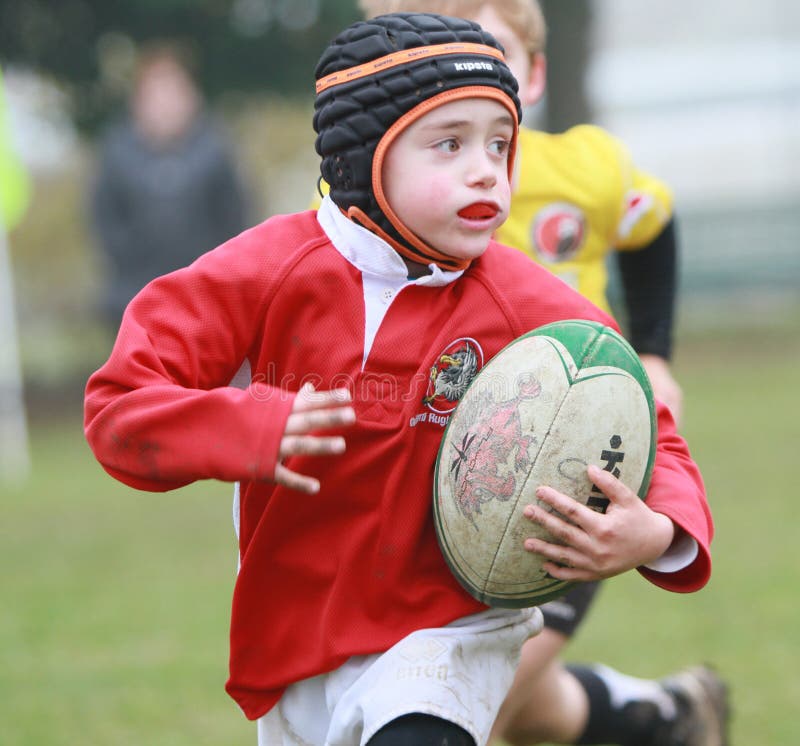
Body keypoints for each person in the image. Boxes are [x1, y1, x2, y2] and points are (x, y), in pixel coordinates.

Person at [84, 13, 714, 746]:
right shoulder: (266, 270)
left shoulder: (523, 299)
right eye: (450, 143)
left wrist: (657, 531)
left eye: (499, 143)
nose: (486, 168)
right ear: (364, 157)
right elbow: (120, 407)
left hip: (447, 632)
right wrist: (252, 426)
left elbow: (646, 419)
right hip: (297, 633)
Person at [352, 3, 729, 745]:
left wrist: (653, 353)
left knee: (472, 700)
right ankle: (661, 717)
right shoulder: (379, 194)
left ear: (535, 71)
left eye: (495, 57)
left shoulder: (582, 169)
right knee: (509, 703)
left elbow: (653, 227)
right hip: (438, 475)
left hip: (568, 468)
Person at [88, 41, 251, 334]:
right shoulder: (117, 152)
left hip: (205, 301)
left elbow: (236, 217)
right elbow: (104, 218)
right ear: (139, 101)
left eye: (173, 92)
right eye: (156, 94)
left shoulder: (216, 149)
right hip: (133, 300)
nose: (165, 103)